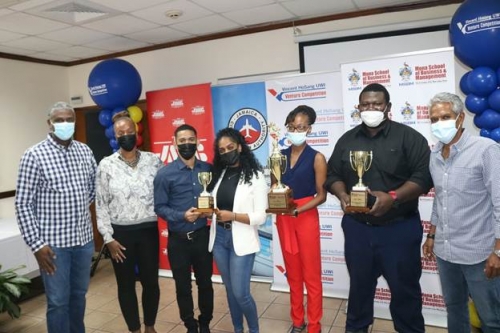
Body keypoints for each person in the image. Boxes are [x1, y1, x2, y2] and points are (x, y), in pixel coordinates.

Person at [325, 83, 433, 333]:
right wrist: (342, 195)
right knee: (359, 289)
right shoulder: (347, 139)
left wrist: (393, 197)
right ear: (358, 107)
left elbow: (423, 177)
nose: (370, 108)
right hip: (358, 229)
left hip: (399, 229)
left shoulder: (409, 137)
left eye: (376, 104)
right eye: (365, 104)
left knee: (405, 291)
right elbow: (332, 175)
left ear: (388, 107)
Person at [15, 101, 97, 333]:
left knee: (79, 296)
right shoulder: (34, 155)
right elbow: (23, 204)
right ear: (49, 124)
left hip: (83, 241)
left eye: (69, 119)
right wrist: (37, 244)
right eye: (59, 120)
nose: (65, 124)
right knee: (59, 301)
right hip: (53, 247)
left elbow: (91, 189)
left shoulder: (84, 151)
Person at [422, 92, 500, 333]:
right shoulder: (435, 154)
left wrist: (498, 250)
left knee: (491, 319)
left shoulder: (486, 150)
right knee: (455, 309)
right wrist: (432, 235)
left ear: (460, 118)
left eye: (445, 116)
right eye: (434, 119)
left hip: (480, 253)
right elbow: (440, 199)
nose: (439, 123)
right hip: (446, 252)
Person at [95, 111, 163, 333]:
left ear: (136, 132)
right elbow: (101, 204)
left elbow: (165, 194)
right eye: (120, 133)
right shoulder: (106, 165)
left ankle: (150, 326)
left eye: (129, 131)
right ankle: (134, 329)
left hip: (148, 232)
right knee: (125, 285)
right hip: (120, 237)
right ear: (115, 136)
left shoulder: (154, 161)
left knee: (151, 283)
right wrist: (108, 238)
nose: (126, 135)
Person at [207, 128, 268, 333]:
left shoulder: (256, 176)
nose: (226, 152)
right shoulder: (219, 174)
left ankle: (254, 330)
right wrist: (208, 212)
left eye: (230, 148)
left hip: (241, 238)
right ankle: (237, 329)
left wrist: (232, 216)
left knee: (241, 293)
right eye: (222, 150)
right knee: (231, 291)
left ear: (240, 147)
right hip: (219, 239)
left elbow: (261, 216)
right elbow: (211, 204)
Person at [154, 124, 213, 333]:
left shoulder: (208, 169)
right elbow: (159, 207)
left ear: (197, 141)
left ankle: (205, 321)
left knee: (205, 283)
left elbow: (215, 198)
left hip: (202, 236)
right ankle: (190, 324)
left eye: (191, 139)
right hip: (178, 240)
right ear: (175, 143)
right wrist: (181, 215)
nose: (187, 144)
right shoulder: (164, 174)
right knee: (183, 286)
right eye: (182, 140)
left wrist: (210, 211)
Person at [275, 105, 327, 333]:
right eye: (292, 126)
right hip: (284, 218)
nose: (295, 130)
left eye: (300, 127)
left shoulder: (317, 158)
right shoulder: (278, 157)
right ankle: (298, 321)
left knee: (312, 276)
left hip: (305, 217)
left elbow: (322, 195)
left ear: (309, 129)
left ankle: (314, 325)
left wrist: (299, 209)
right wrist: (279, 204)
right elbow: (274, 188)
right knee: (293, 275)